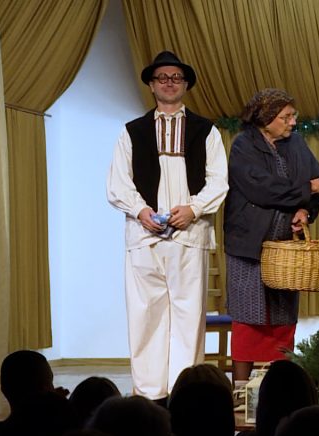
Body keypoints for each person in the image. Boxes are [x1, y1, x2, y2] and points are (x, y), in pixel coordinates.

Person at [107, 51, 228, 402]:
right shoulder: (132, 131)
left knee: (189, 316)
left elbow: (218, 180)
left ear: (185, 84)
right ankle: (149, 395)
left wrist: (194, 209)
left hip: (189, 235)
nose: (169, 83)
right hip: (144, 236)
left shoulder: (205, 130)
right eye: (162, 77)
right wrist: (141, 211)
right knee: (145, 315)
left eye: (176, 77)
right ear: (151, 84)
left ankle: (183, 394)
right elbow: (118, 183)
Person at [224, 89, 319, 382]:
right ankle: (240, 391)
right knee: (248, 319)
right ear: (265, 118)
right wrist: (310, 188)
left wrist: (305, 210)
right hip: (249, 248)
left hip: (285, 254)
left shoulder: (296, 144)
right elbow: (262, 189)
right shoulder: (244, 145)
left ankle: (279, 386)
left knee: (282, 319)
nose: (293, 122)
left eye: (293, 116)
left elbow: (317, 182)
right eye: (286, 117)